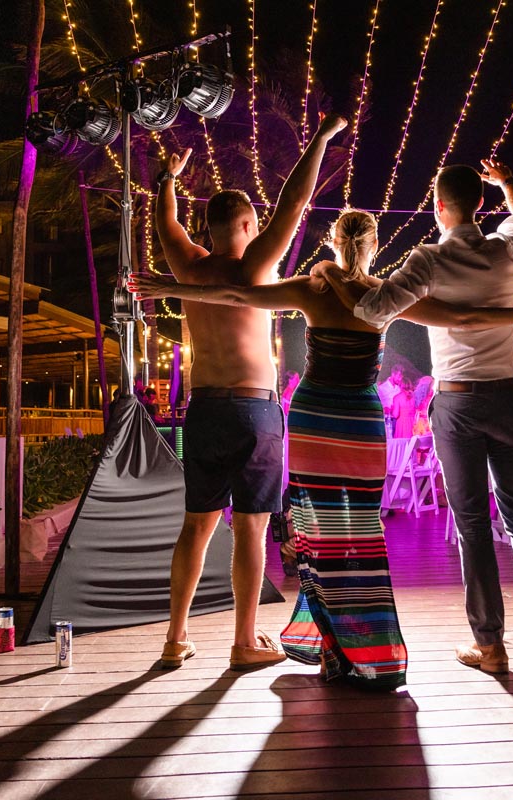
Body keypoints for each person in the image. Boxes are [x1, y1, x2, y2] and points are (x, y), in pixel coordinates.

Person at [131, 209, 513, 689]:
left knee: (318, 534)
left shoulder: (311, 289)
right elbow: (465, 317)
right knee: (362, 533)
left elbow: (237, 295)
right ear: (375, 244)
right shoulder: (386, 295)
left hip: (312, 417)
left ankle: (331, 647)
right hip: (360, 421)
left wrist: (175, 289)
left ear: (332, 241)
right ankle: (367, 645)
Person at [318, 158, 513, 674]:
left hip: (457, 402)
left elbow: (372, 310)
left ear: (438, 207)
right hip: (507, 396)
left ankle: (491, 647)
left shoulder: (428, 259)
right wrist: (508, 180)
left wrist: (339, 274)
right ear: (481, 204)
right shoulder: (507, 250)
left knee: (471, 522)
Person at [148, 113, 349, 673]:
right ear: (244, 224)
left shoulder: (188, 267)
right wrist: (321, 138)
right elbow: (295, 202)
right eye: (254, 222)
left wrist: (168, 180)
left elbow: (166, 224)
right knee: (251, 527)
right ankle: (242, 641)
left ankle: (175, 638)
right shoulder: (255, 266)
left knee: (196, 524)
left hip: (204, 409)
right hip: (254, 409)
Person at [376, 364, 404, 434]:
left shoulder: (399, 389)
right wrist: (385, 408)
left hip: (397, 420)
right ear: (393, 374)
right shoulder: (382, 388)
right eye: (399, 376)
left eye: (401, 377)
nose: (400, 379)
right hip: (386, 420)